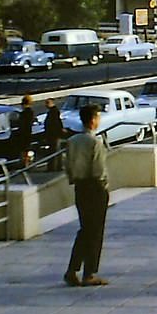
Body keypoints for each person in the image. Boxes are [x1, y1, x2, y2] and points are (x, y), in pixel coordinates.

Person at [63, 104, 110, 287]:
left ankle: (72, 269)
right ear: (92, 120)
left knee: (84, 229)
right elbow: (99, 169)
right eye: (98, 117)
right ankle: (90, 272)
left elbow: (67, 165)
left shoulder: (73, 140)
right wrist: (104, 187)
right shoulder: (95, 142)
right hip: (95, 188)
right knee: (96, 231)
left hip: (80, 187)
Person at [43, 97, 64, 172]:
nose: (46, 105)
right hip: (54, 135)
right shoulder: (54, 111)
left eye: (47, 103)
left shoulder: (53, 112)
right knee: (55, 151)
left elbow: (55, 124)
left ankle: (53, 167)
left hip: (53, 135)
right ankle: (57, 166)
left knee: (53, 151)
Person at [17, 93, 35, 167]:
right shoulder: (31, 112)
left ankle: (24, 162)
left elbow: (21, 124)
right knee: (27, 149)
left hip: (23, 133)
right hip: (28, 132)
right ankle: (27, 162)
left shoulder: (23, 113)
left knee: (23, 149)